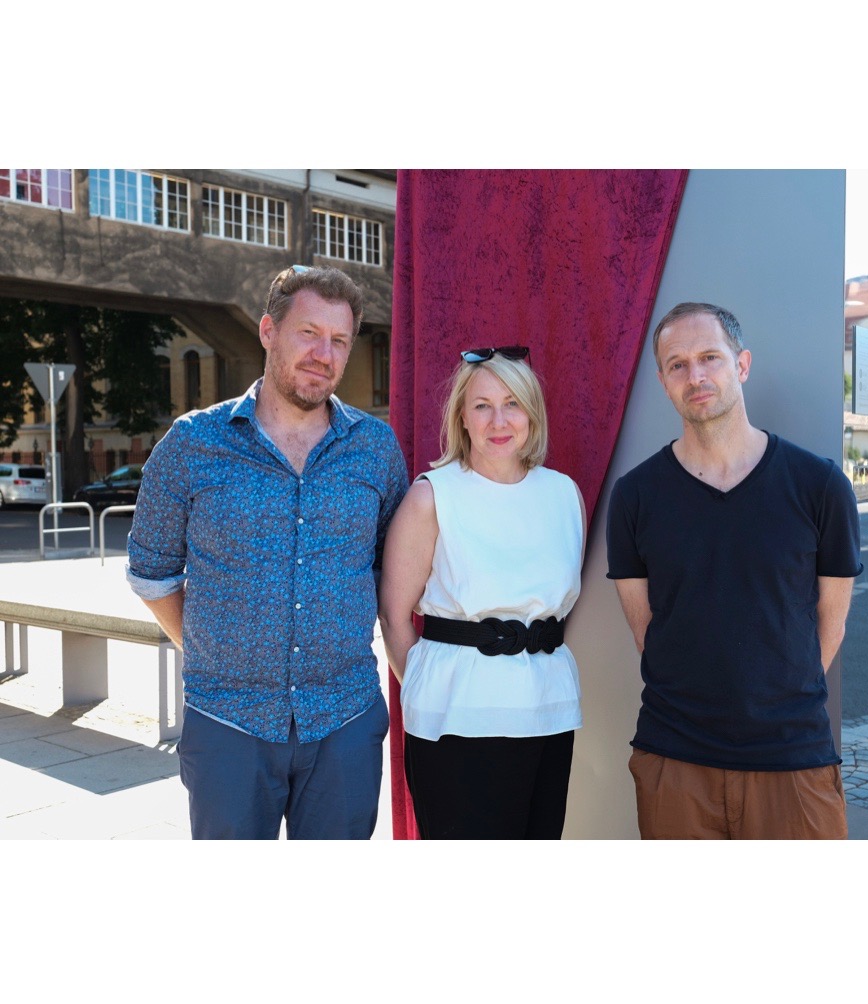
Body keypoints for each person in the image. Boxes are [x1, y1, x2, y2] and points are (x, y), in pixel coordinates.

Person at [126, 265, 409, 840]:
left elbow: (393, 572)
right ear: (267, 331)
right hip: (228, 723)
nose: (323, 354)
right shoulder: (192, 443)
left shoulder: (376, 449)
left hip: (345, 721)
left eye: (338, 341)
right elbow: (151, 572)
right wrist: (216, 649)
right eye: (308, 333)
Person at [606, 302, 862, 840]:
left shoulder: (821, 488)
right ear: (662, 381)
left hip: (794, 757)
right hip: (675, 758)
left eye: (709, 358)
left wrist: (774, 698)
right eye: (677, 364)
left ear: (741, 365)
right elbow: (646, 630)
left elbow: (831, 624)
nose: (695, 375)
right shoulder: (634, 497)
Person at [378, 346, 586, 839]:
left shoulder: (563, 494)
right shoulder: (432, 496)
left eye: (513, 403)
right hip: (458, 719)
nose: (499, 420)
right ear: (462, 418)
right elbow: (393, 615)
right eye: (482, 405)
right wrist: (435, 685)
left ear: (532, 414)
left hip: (548, 713)